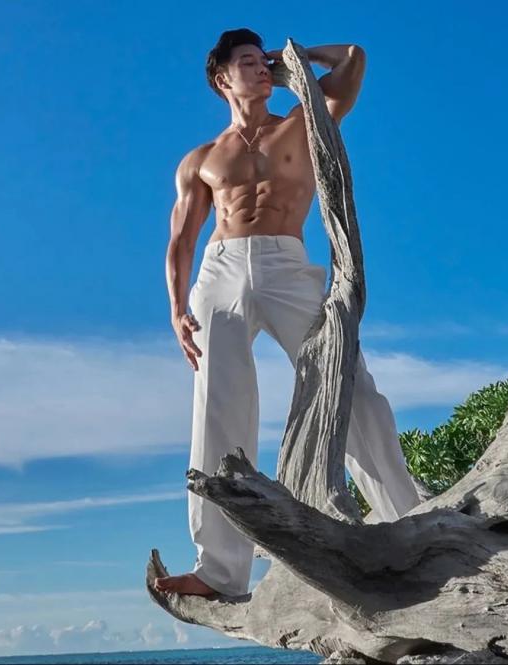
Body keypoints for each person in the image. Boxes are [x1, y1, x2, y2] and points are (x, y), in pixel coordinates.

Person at [155, 28, 422, 597]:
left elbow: (352, 60)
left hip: (286, 264)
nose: (259, 67)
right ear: (221, 78)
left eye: (263, 60)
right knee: (218, 408)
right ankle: (219, 571)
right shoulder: (201, 159)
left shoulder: (303, 121)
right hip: (219, 271)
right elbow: (181, 241)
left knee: (348, 386)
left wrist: (291, 61)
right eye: (247, 62)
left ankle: (409, 523)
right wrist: (177, 310)